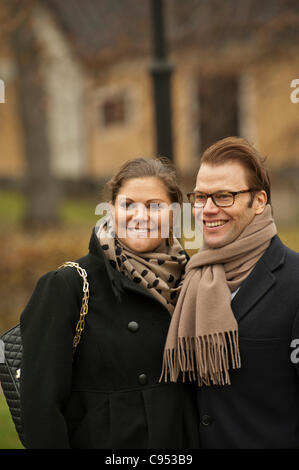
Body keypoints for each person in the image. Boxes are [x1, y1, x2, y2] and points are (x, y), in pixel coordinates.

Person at [20, 157, 199, 449]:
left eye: (155, 206)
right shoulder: (69, 285)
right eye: (128, 205)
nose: (140, 216)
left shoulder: (191, 280)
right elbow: (41, 408)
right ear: (111, 210)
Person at [160, 137, 299, 449]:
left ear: (259, 201)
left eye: (224, 196)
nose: (208, 210)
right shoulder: (187, 277)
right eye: (200, 197)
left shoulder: (295, 281)